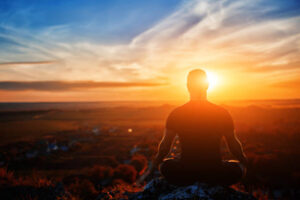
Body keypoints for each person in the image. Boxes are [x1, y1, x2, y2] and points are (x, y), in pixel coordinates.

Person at [138, 69, 247, 186]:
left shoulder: (176, 113)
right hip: (215, 173)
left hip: (185, 173)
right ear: (207, 85)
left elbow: (165, 146)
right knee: (236, 167)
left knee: (165, 165)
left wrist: (152, 168)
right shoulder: (222, 113)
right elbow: (234, 145)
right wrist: (245, 163)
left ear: (187, 86)